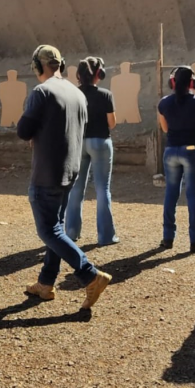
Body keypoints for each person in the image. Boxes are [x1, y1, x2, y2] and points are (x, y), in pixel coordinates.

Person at [18, 45, 112, 309]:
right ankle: (46, 284)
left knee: (48, 230)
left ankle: (90, 275)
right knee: (57, 228)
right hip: (70, 171)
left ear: (38, 66)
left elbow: (24, 131)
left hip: (47, 172)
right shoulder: (76, 93)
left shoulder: (41, 92)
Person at [157, 66, 195, 253]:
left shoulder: (164, 103)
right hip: (192, 150)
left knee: (171, 193)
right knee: (193, 195)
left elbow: (165, 129)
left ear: (173, 82)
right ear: (192, 82)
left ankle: (167, 238)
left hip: (171, 150)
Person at [65, 57, 119, 246]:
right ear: (98, 74)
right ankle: (106, 236)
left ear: (78, 76)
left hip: (78, 144)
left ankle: (71, 233)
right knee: (102, 189)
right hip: (101, 142)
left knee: (76, 188)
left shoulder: (72, 94)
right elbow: (111, 123)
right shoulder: (106, 95)